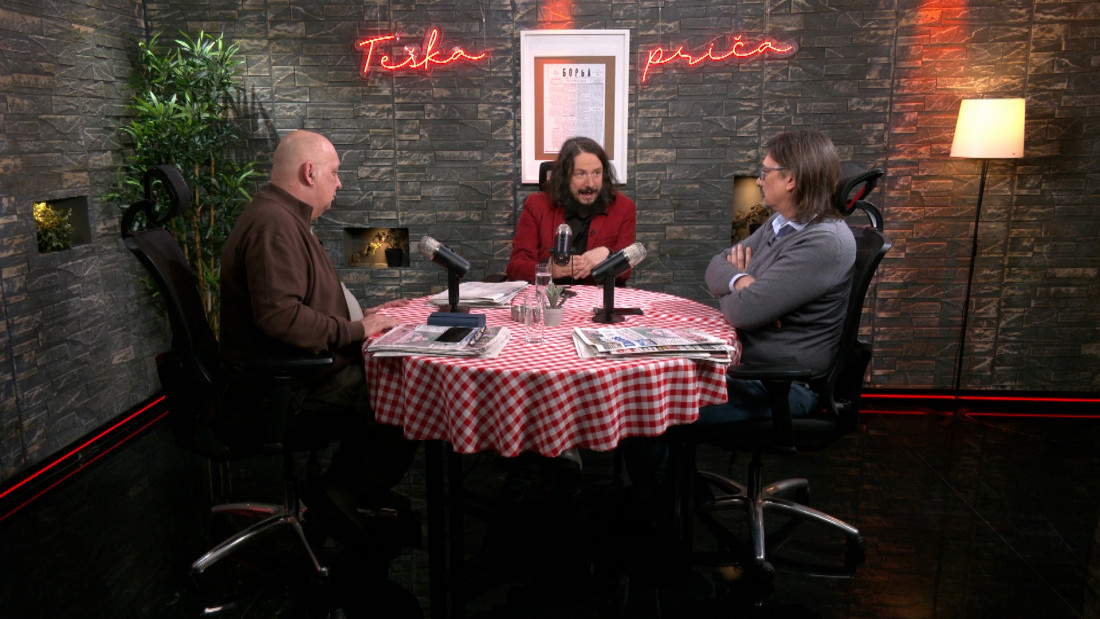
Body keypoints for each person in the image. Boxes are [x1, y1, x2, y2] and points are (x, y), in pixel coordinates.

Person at [623, 129, 857, 500]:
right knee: (647, 390)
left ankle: (668, 508)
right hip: (750, 367)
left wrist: (744, 298)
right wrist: (744, 282)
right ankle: (682, 497)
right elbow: (715, 266)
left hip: (781, 386)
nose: (759, 180)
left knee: (644, 408)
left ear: (791, 180)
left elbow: (743, 313)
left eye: (765, 172)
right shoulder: (781, 224)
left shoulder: (824, 241)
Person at [219, 129, 419, 555]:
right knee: (407, 391)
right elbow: (281, 319)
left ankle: (349, 493)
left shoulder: (282, 216)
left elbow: (303, 304)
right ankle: (339, 493)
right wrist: (356, 331)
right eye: (334, 173)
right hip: (284, 392)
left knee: (394, 381)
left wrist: (364, 319)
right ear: (309, 172)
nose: (339, 183)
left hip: (295, 378)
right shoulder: (275, 224)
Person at [506, 137, 636, 285]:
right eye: (580, 174)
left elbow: (625, 273)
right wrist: (548, 269)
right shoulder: (536, 205)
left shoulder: (624, 207)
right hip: (552, 296)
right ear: (565, 177)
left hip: (599, 297)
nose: (590, 184)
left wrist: (609, 255)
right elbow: (515, 269)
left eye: (596, 173)